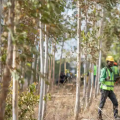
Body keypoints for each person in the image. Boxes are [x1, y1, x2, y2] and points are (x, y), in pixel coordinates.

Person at [98, 56, 120, 120]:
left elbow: (112, 81)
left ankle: (116, 116)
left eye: (112, 62)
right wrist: (106, 78)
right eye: (111, 62)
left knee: (115, 102)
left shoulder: (112, 70)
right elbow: (101, 79)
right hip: (104, 89)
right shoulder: (104, 69)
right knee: (102, 103)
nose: (112, 63)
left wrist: (117, 80)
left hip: (110, 90)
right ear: (107, 62)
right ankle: (99, 116)